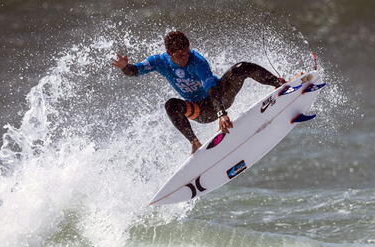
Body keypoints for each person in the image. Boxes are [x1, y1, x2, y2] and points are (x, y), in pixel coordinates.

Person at [111, 30, 285, 154]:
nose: (185, 58)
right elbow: (135, 71)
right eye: (180, 56)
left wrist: (222, 113)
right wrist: (125, 67)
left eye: (187, 53)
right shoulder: (159, 61)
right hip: (199, 111)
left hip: (220, 97)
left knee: (242, 68)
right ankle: (194, 143)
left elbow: (211, 87)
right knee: (171, 105)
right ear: (169, 54)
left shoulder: (197, 61)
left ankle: (279, 83)